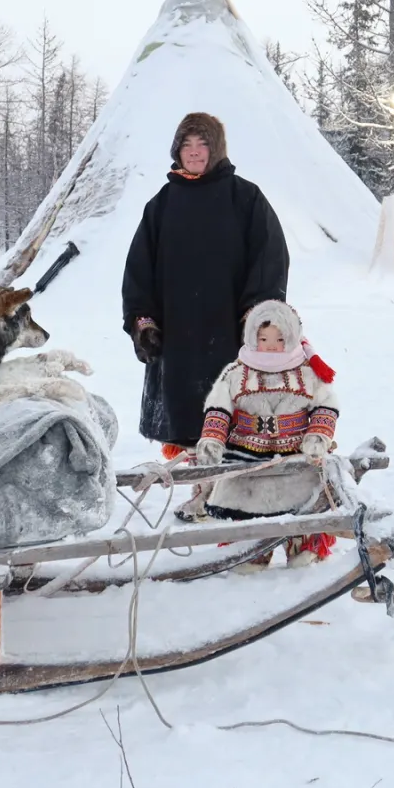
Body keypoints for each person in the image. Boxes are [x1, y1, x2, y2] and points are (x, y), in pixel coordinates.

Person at [121, 113, 290, 501]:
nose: (195, 153)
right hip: (177, 335)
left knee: (232, 415)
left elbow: (269, 259)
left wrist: (256, 316)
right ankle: (202, 491)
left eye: (202, 145)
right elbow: (138, 269)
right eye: (187, 146)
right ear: (177, 151)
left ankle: (231, 492)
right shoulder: (162, 204)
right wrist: (143, 322)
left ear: (216, 150)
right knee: (190, 421)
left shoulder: (245, 197)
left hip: (229, 333)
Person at [193, 298, 339, 570]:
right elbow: (219, 408)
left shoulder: (308, 373)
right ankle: (251, 549)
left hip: (297, 456)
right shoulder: (236, 373)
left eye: (280, 338)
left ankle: (302, 546)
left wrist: (318, 435)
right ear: (251, 337)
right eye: (263, 338)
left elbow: (326, 405)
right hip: (247, 456)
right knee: (248, 508)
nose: (271, 345)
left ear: (293, 337)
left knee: (304, 504)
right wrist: (212, 439)